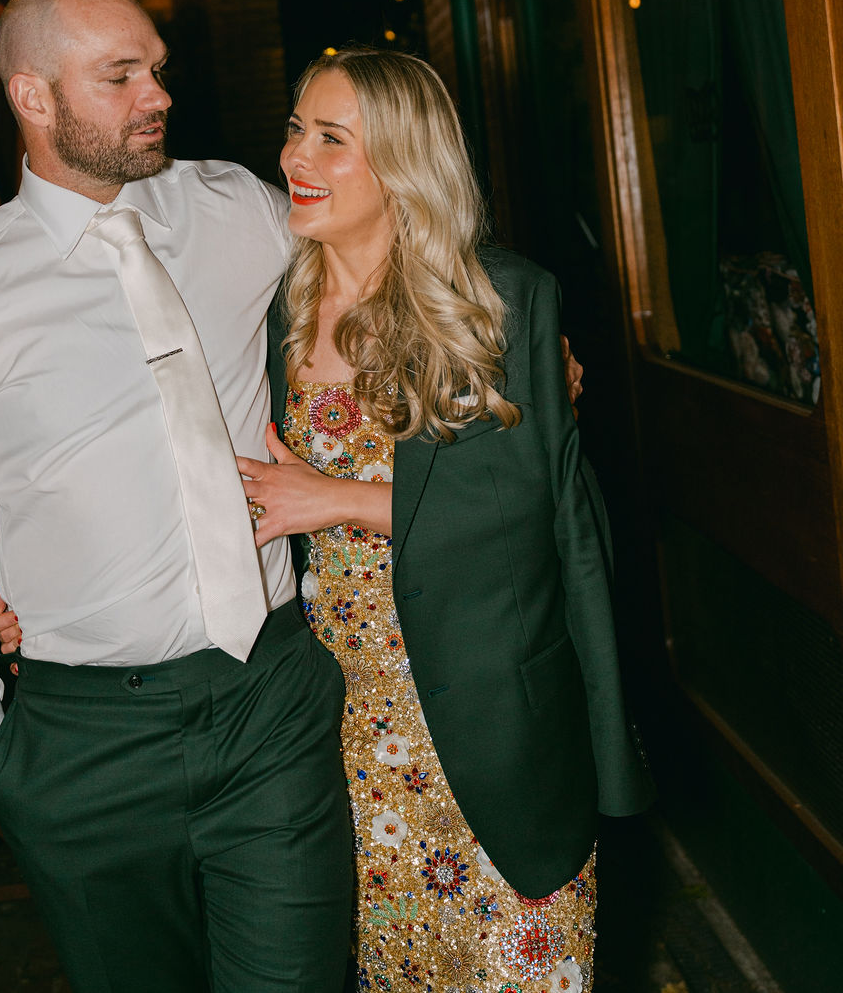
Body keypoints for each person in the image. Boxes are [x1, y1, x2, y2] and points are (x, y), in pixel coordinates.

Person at [0, 0, 354, 993]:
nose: (158, 95)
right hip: (83, 739)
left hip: (270, 701)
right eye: (120, 75)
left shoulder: (236, 205)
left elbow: (378, 264)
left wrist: (515, 339)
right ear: (33, 97)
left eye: (157, 69)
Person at [229, 50, 652, 992]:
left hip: (489, 716)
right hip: (342, 730)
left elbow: (528, 515)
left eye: (331, 138)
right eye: (296, 129)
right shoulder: (277, 307)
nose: (297, 155)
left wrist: (334, 497)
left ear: (404, 162)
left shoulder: (493, 300)